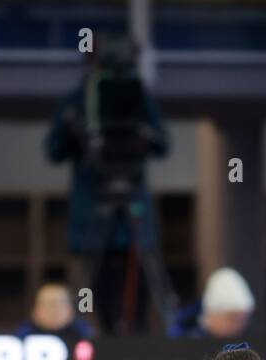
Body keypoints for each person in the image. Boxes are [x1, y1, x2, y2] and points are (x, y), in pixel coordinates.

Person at [44, 37, 172, 334]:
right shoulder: (78, 101)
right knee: (97, 297)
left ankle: (137, 337)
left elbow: (163, 145)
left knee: (139, 296)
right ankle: (97, 340)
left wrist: (144, 134)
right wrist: (73, 127)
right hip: (94, 210)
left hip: (133, 223)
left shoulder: (139, 99)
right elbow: (53, 151)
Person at [167, 267, 254, 339]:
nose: (239, 328)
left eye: (244, 321)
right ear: (213, 315)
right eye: (233, 320)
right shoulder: (184, 339)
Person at [16, 282, 96, 344]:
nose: (52, 310)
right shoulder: (22, 336)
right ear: (35, 310)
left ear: (70, 309)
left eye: (57, 304)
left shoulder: (83, 334)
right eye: (45, 304)